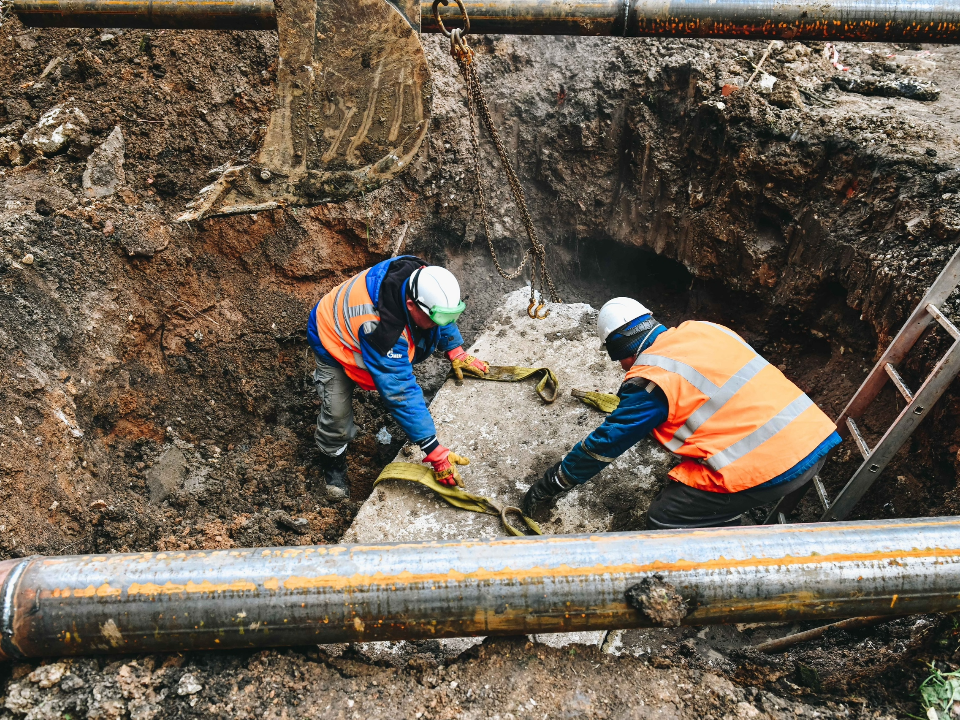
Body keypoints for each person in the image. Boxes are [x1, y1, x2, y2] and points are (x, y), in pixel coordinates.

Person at [521, 297, 842, 528]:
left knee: (665, 516)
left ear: (622, 350)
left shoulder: (650, 378)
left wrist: (553, 482)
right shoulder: (706, 330)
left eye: (618, 359)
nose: (621, 369)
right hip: (813, 438)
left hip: (777, 471)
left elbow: (604, 444)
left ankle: (730, 547)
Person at [306, 256, 489, 497]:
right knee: (338, 417)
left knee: (396, 354)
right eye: (436, 319)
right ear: (411, 306)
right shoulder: (382, 330)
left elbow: (439, 312)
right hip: (332, 337)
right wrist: (433, 449)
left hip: (362, 331)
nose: (440, 323)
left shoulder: (422, 277)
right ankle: (333, 463)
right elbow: (398, 389)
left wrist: (454, 349)